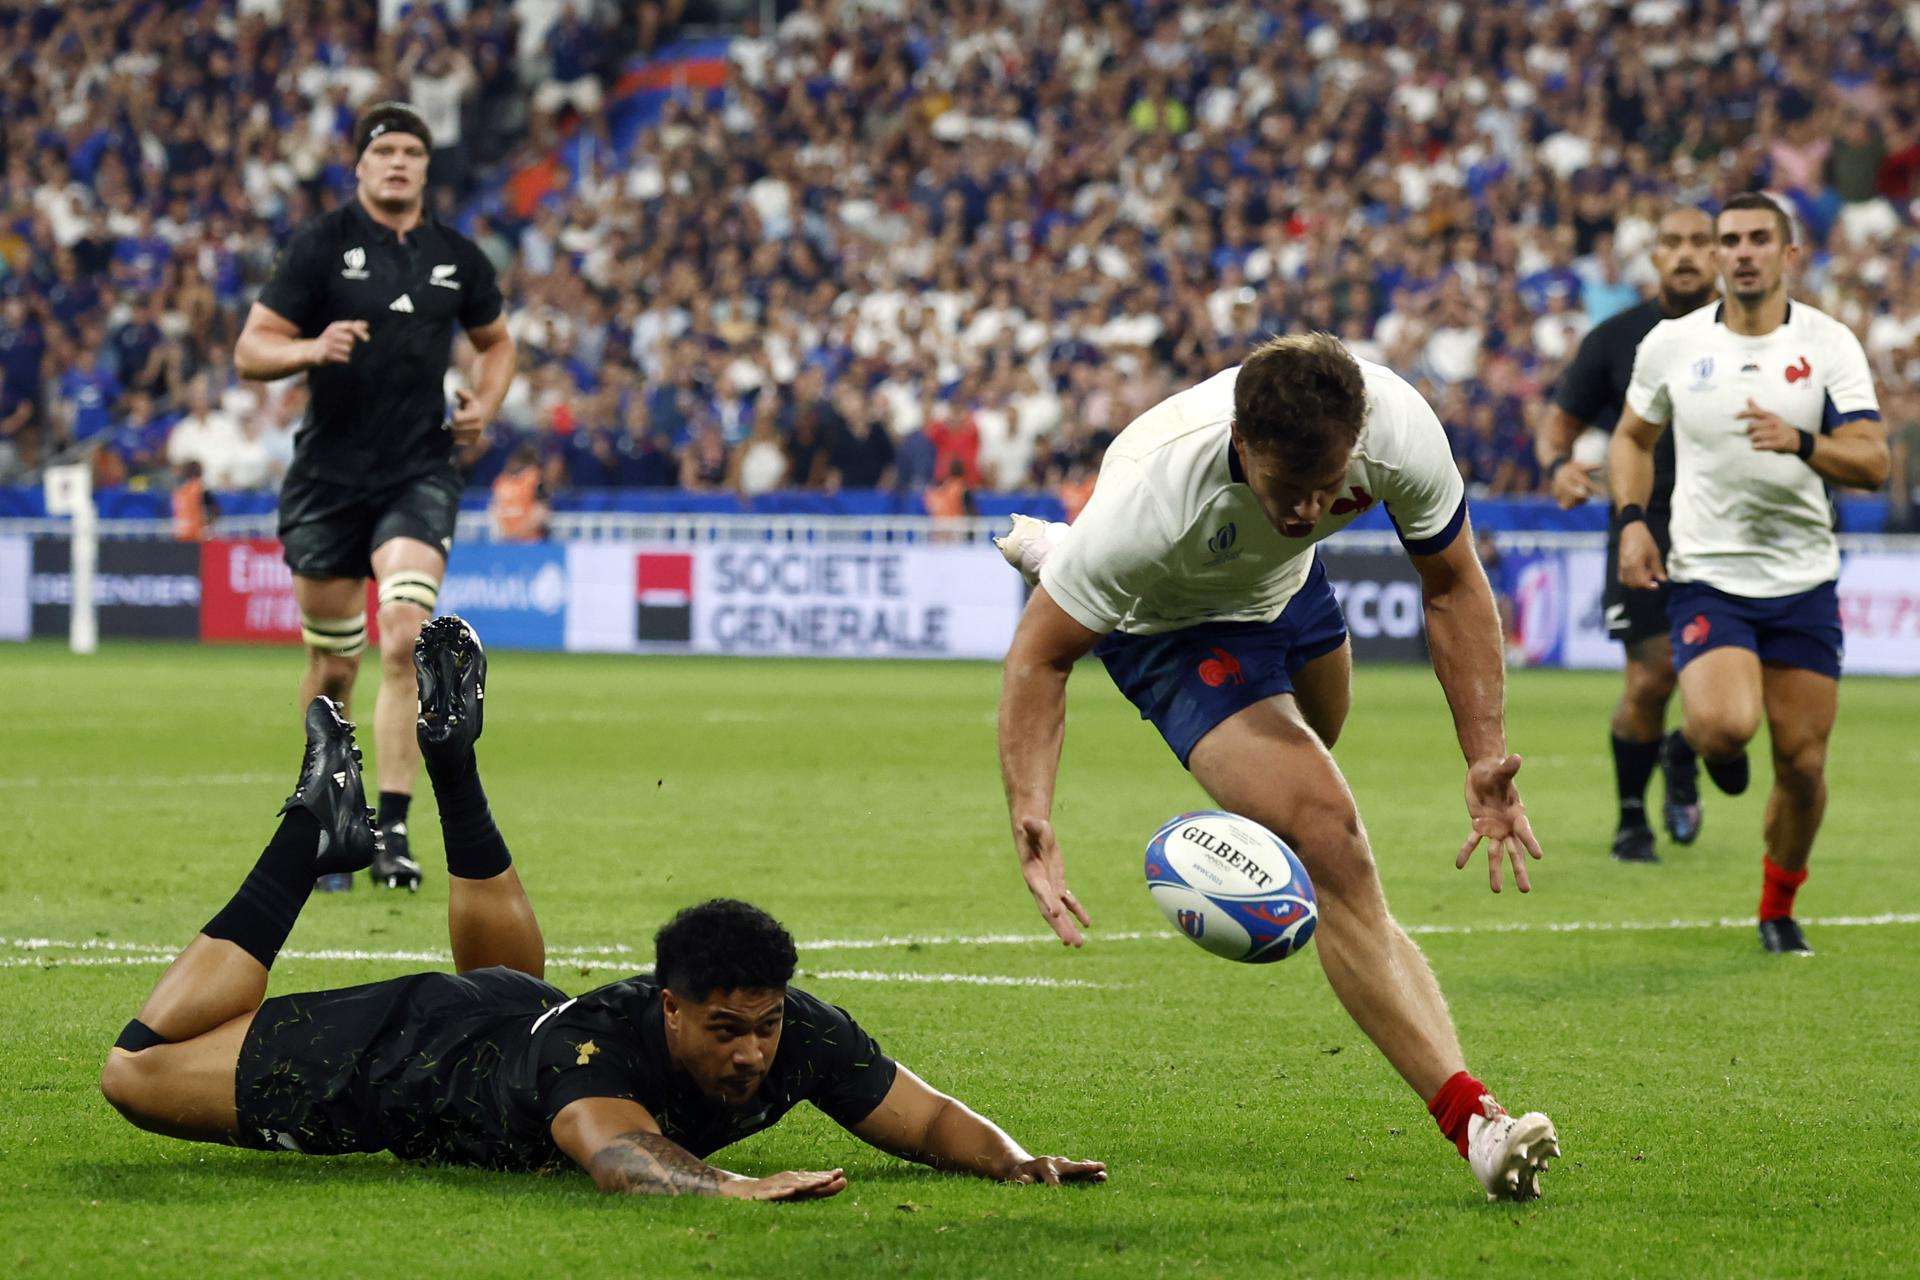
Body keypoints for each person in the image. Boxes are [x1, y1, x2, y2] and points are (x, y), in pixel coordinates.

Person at [98, 618, 1106, 1198]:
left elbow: (923, 1111)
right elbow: (619, 1152)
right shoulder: (602, 1050)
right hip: (401, 1057)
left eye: (762, 1026)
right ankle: (308, 835)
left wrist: (1017, 1161)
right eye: (725, 1031)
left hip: (510, 1015)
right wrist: (737, 1188)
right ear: (668, 1008)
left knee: (519, 995)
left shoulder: (792, 1030)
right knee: (136, 1069)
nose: (753, 1053)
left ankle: (449, 766)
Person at [994, 333, 1558, 1202]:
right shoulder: (1155, 500)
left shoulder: (1395, 428)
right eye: (1288, 490)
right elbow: (1039, 658)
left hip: (1285, 588)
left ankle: (1067, 560)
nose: (1308, 509)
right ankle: (1474, 1121)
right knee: (1334, 841)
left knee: (1318, 780)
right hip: (1169, 622)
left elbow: (1449, 583)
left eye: (1327, 490)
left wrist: (1484, 754)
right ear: (1241, 443)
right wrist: (1032, 810)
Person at [234, 101, 517, 894]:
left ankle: (391, 832)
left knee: (403, 637)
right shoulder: (321, 246)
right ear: (359, 165)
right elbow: (250, 349)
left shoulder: (457, 257)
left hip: (418, 472)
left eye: (411, 151)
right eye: (384, 150)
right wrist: (308, 348)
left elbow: (498, 344)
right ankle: (329, 814)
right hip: (328, 481)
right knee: (333, 666)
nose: (398, 162)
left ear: (427, 167)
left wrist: (483, 406)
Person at [1609, 193, 1890, 956]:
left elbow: (1872, 459)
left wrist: (1802, 442)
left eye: (1758, 238)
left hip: (1803, 580)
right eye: (1729, 238)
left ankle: (1777, 905)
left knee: (1801, 764)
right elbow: (1631, 438)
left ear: (1788, 254)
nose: (1740, 251)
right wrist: (1633, 521)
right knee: (1726, 726)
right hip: (1708, 573)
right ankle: (1701, 748)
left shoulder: (1828, 344)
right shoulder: (1672, 344)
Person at [1533, 207, 1719, 864]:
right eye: (1673, 241)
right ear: (1655, 256)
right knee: (1652, 679)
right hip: (1647, 521)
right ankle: (1633, 816)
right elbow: (1557, 425)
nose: (1688, 253)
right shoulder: (1618, 338)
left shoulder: (1757, 336)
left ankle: (1683, 749)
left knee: (1733, 689)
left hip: (1734, 522)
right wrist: (1557, 467)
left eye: (1702, 241)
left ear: (1722, 254)